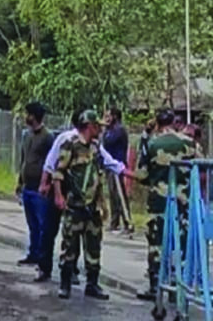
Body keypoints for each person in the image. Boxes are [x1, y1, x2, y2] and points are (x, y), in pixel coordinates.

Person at [52, 110, 128, 300]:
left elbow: (103, 171)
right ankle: (65, 283)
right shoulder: (70, 146)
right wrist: (58, 196)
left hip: (92, 207)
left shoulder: (96, 148)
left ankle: (92, 284)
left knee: (93, 247)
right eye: (97, 126)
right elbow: (58, 172)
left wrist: (102, 204)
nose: (100, 130)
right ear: (89, 126)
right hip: (75, 205)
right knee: (70, 247)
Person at [132, 109, 198, 301]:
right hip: (183, 201)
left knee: (157, 244)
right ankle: (180, 286)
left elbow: (142, 175)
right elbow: (199, 168)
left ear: (158, 124)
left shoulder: (153, 144)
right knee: (181, 242)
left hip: (159, 201)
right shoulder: (189, 143)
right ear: (174, 122)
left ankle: (156, 286)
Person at [16, 102, 55, 279]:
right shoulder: (27, 135)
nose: (26, 117)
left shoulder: (48, 138)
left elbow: (52, 162)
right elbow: (23, 159)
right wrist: (19, 181)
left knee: (42, 225)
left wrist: (48, 184)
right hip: (27, 186)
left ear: (35, 116)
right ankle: (33, 253)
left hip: (40, 188)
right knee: (32, 224)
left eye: (28, 114)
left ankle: (42, 258)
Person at [103, 108, 131, 233]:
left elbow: (109, 141)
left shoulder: (119, 130)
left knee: (119, 195)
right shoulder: (109, 130)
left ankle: (127, 222)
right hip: (110, 166)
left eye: (108, 116)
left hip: (117, 165)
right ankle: (114, 222)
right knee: (113, 195)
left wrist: (105, 129)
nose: (106, 119)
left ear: (114, 116)